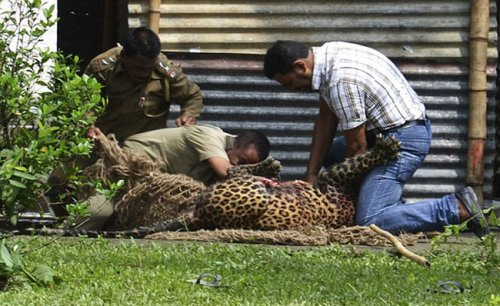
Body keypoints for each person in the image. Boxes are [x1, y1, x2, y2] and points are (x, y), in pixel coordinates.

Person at [263, 40, 490, 238]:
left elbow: (357, 146)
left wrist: (349, 198)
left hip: (401, 142)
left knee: (369, 219)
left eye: (290, 83)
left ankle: (455, 208)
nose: (292, 90)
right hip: (384, 135)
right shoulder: (327, 56)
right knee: (332, 154)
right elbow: (326, 119)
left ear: (300, 66)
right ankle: (391, 207)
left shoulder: (340, 79)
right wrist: (311, 175)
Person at [85, 26, 203, 143]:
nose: (145, 73)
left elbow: (192, 95)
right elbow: (83, 104)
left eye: (150, 68)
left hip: (148, 145)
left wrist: (189, 114)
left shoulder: (164, 70)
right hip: (106, 142)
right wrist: (88, 126)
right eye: (139, 68)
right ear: (124, 57)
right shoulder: (102, 70)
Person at [122, 124, 270, 185]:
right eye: (241, 161)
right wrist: (259, 182)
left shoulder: (222, 159)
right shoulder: (209, 136)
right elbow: (226, 173)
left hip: (151, 178)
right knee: (102, 212)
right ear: (235, 145)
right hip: (128, 162)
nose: (242, 169)